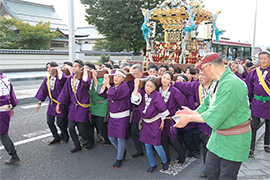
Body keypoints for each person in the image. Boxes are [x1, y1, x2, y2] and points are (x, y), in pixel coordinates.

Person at [174, 53, 251, 180]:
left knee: (226, 176)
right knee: (211, 172)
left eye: (202, 70)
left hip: (234, 138)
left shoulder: (231, 83)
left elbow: (215, 114)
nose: (200, 74)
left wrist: (189, 118)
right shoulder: (217, 82)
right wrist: (191, 113)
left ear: (209, 67)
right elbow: (206, 105)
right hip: (218, 136)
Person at [131, 77, 169, 174]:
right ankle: (152, 164)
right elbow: (134, 100)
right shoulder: (141, 93)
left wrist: (163, 120)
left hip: (154, 123)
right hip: (145, 123)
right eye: (147, 85)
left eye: (151, 86)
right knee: (147, 145)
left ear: (155, 87)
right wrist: (136, 86)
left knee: (157, 145)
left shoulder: (157, 95)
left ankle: (165, 162)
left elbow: (163, 109)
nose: (148, 88)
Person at [56, 59, 94, 153]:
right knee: (71, 128)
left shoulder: (85, 78)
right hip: (73, 107)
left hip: (82, 106)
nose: (73, 68)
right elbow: (65, 93)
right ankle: (77, 146)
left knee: (82, 129)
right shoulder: (70, 78)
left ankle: (90, 141)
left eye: (75, 66)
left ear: (81, 68)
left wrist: (85, 71)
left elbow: (86, 83)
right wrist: (58, 104)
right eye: (73, 66)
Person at [98, 69, 130, 169]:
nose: (116, 78)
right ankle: (122, 150)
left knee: (120, 138)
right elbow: (102, 94)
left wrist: (108, 86)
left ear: (123, 79)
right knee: (111, 137)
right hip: (112, 116)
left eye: (119, 77)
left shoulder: (124, 86)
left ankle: (119, 158)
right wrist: (104, 84)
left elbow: (115, 96)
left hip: (122, 116)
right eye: (115, 76)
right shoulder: (112, 86)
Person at [35, 62, 69, 145]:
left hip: (61, 103)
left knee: (60, 123)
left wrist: (59, 70)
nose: (48, 69)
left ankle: (65, 135)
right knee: (50, 122)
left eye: (50, 67)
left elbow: (63, 79)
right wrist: (39, 103)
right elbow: (43, 91)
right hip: (52, 103)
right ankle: (56, 136)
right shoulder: (47, 79)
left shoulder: (60, 77)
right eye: (47, 68)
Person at [245, 51, 270, 157]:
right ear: (258, 60)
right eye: (261, 59)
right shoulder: (254, 72)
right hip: (256, 102)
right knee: (253, 125)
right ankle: (250, 148)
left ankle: (267, 144)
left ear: (269, 59)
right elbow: (248, 87)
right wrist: (248, 101)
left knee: (269, 125)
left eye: (265, 58)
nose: (263, 61)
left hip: (269, 102)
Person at [159, 71, 187, 165]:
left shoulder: (174, 90)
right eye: (163, 77)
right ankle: (166, 159)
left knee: (173, 140)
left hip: (171, 119)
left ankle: (182, 156)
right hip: (161, 119)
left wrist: (178, 115)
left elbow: (183, 103)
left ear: (171, 81)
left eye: (167, 79)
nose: (165, 80)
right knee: (163, 140)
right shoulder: (158, 89)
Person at [85, 63, 110, 146]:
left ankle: (106, 139)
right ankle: (97, 137)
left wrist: (95, 77)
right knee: (92, 123)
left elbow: (99, 91)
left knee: (102, 125)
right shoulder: (86, 80)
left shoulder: (100, 79)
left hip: (101, 105)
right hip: (92, 105)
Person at [0, 72, 20, 165]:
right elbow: (11, 94)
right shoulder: (5, 78)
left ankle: (14, 156)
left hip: (1, 110)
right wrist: (12, 106)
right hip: (5, 109)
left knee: (3, 134)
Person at [128, 64, 146, 158]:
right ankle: (139, 150)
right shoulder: (131, 81)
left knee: (146, 131)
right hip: (135, 110)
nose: (135, 76)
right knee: (134, 131)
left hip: (146, 111)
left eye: (137, 73)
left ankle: (151, 149)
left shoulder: (146, 80)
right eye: (133, 73)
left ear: (142, 73)